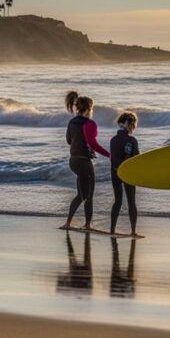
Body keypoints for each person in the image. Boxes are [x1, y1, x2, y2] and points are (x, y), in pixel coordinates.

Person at [62, 91, 110, 231]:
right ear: (89, 109)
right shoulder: (90, 123)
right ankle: (87, 225)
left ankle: (68, 223)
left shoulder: (71, 122)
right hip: (84, 163)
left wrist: (85, 147)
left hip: (74, 162)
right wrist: (109, 155)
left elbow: (69, 141)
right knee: (88, 196)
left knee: (81, 194)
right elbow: (93, 143)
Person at [109, 112, 141, 236]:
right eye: (133, 125)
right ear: (129, 124)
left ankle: (112, 230)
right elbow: (137, 159)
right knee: (131, 202)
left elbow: (112, 159)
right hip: (128, 173)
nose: (133, 127)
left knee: (117, 201)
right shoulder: (132, 140)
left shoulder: (113, 140)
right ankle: (133, 231)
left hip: (115, 172)